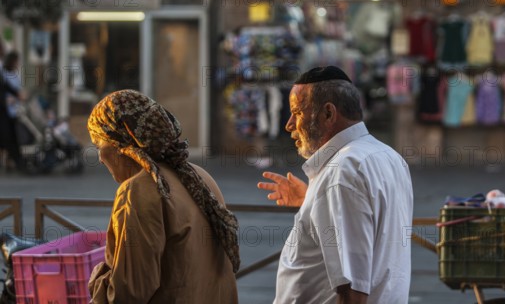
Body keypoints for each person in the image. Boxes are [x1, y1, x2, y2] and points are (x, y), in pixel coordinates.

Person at [258, 66, 413, 304]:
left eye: (297, 113)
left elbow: (352, 289)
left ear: (328, 114)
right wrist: (312, 200)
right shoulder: (389, 157)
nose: (289, 125)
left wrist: (327, 193)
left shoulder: (342, 172)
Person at [87, 90, 239, 303]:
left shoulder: (137, 191)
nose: (100, 158)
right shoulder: (198, 176)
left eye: (98, 145)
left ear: (119, 145)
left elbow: (128, 294)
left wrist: (97, 279)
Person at [0, 50, 26, 171]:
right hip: (3, 109)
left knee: (9, 136)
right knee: (8, 136)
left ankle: (15, 161)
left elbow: (4, 86)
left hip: (7, 110)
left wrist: (16, 94)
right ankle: (18, 162)